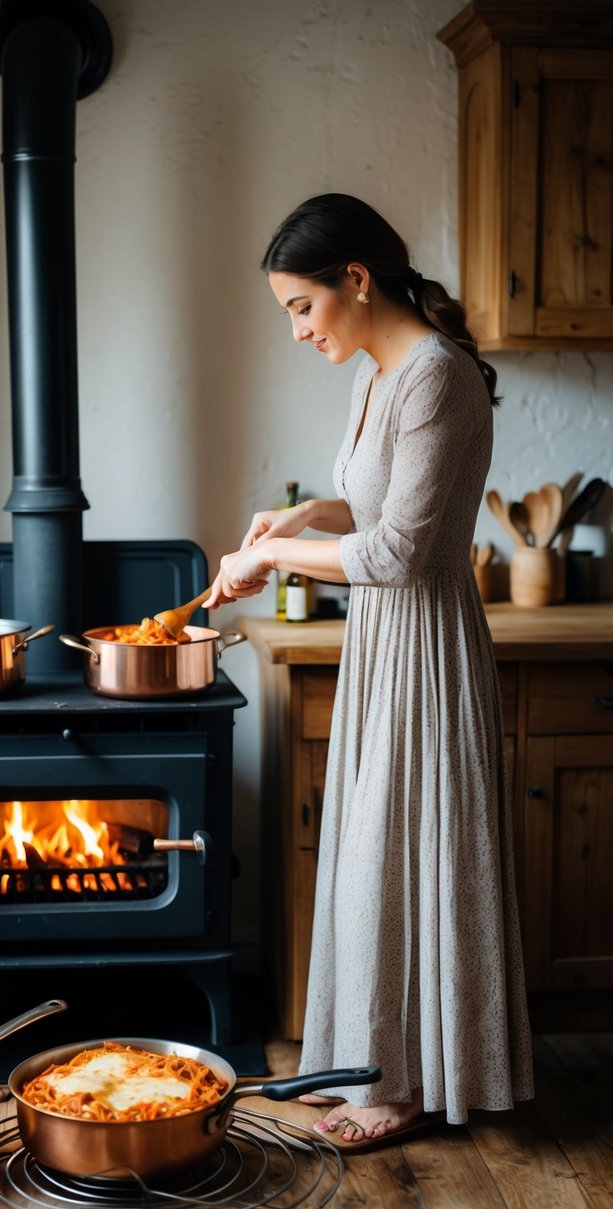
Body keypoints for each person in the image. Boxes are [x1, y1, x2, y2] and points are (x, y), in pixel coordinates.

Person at [204, 194, 534, 1149]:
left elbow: (397, 553)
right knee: (369, 863)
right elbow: (366, 509)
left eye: (301, 307)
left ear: (356, 279)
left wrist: (264, 563)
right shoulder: (375, 375)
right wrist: (295, 519)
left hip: (425, 648)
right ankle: (367, 1060)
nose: (299, 331)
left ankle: (409, 1086)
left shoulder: (437, 376)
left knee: (412, 856)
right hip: (380, 646)